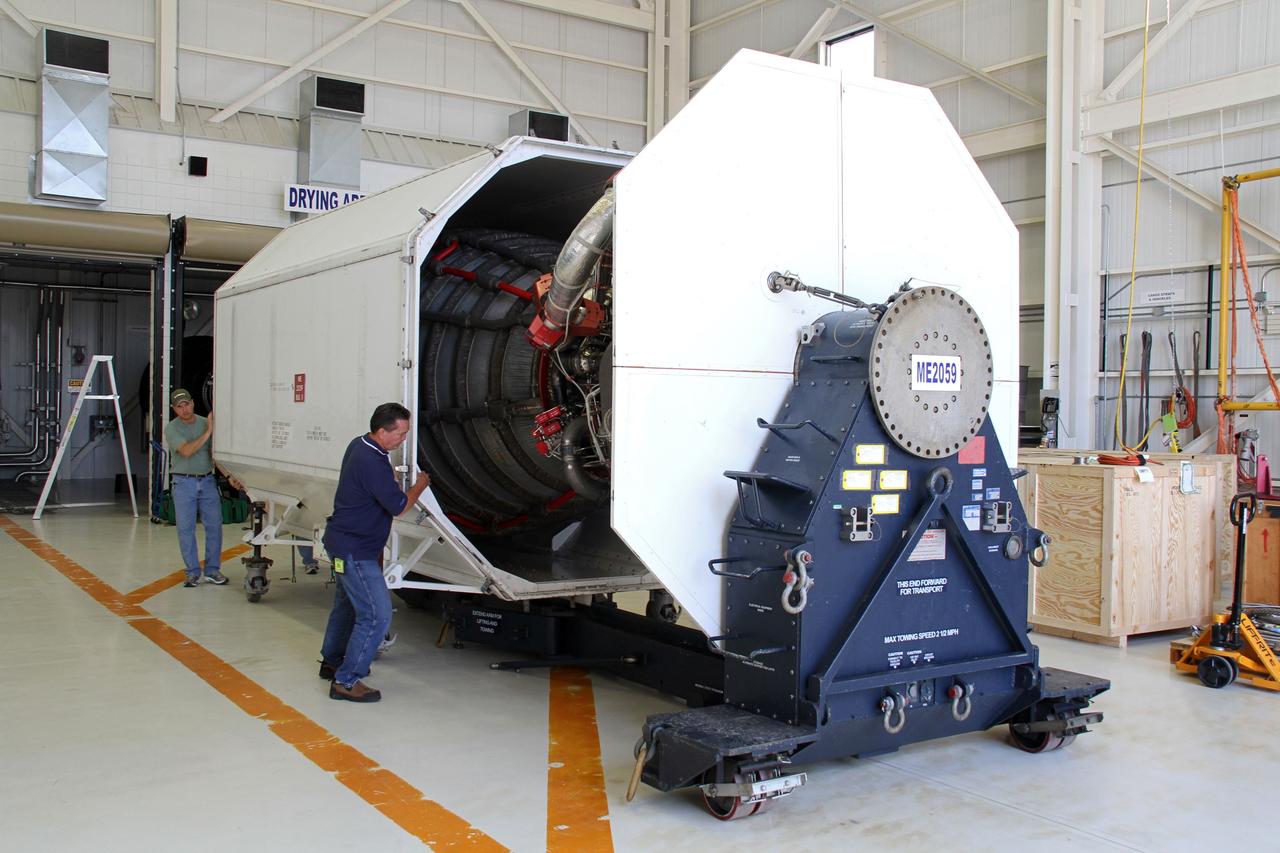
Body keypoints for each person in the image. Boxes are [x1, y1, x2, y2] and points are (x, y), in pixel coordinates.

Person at [319, 402, 429, 703]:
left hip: (343, 543)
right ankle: (346, 680)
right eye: (401, 434)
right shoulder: (372, 461)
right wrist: (420, 485)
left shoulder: (361, 445)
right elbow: (399, 506)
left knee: (346, 606)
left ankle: (332, 661)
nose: (404, 440)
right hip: (356, 550)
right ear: (382, 431)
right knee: (376, 615)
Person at [165, 388, 241, 587]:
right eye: (179, 407)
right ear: (174, 410)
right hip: (183, 483)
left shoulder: (203, 422)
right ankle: (192, 572)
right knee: (186, 528)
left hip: (207, 481)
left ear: (192, 403)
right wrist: (209, 431)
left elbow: (214, 455)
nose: (185, 409)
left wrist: (230, 476)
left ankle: (212, 570)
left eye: (187, 404)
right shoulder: (172, 429)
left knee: (214, 526)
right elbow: (187, 451)